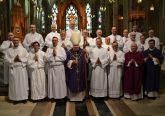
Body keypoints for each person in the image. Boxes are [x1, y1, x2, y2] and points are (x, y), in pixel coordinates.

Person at [5, 37, 29, 103]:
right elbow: (6, 60)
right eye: (14, 40)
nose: (15, 41)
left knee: (22, 84)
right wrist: (14, 60)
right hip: (14, 69)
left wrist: (20, 59)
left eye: (17, 40)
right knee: (14, 84)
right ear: (12, 41)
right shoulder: (9, 50)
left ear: (19, 41)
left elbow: (27, 58)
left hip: (21, 69)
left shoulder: (23, 49)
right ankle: (15, 99)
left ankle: (24, 98)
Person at [66, 31, 88, 101]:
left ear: (79, 45)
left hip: (81, 71)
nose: (76, 47)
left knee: (81, 83)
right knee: (73, 83)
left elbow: (86, 60)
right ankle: (72, 98)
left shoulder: (82, 51)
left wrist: (86, 54)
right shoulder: (69, 52)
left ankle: (80, 97)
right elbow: (66, 62)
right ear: (73, 45)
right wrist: (72, 62)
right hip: (72, 72)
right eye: (74, 45)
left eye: (77, 45)